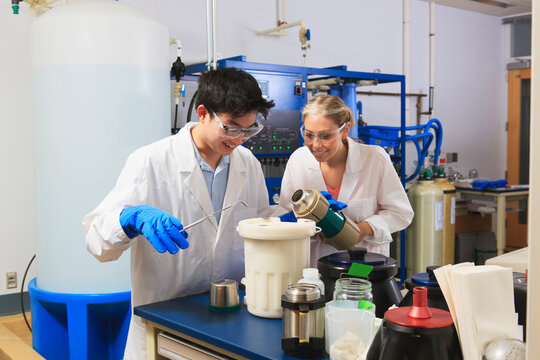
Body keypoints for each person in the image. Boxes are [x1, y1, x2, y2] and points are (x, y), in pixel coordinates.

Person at [83, 67, 275, 359]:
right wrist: (130, 218)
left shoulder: (247, 163)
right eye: (231, 127)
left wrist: (288, 222)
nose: (239, 139)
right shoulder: (151, 160)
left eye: (249, 130)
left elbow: (260, 223)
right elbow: (97, 242)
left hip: (230, 321)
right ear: (202, 113)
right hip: (165, 320)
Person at [279, 94, 414, 266]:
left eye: (325, 136)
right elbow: (285, 216)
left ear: (345, 130)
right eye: (309, 135)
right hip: (314, 269)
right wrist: (301, 220)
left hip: (362, 268)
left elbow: (401, 214)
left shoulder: (375, 159)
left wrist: (363, 229)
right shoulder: (298, 160)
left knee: (357, 292)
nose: (316, 144)